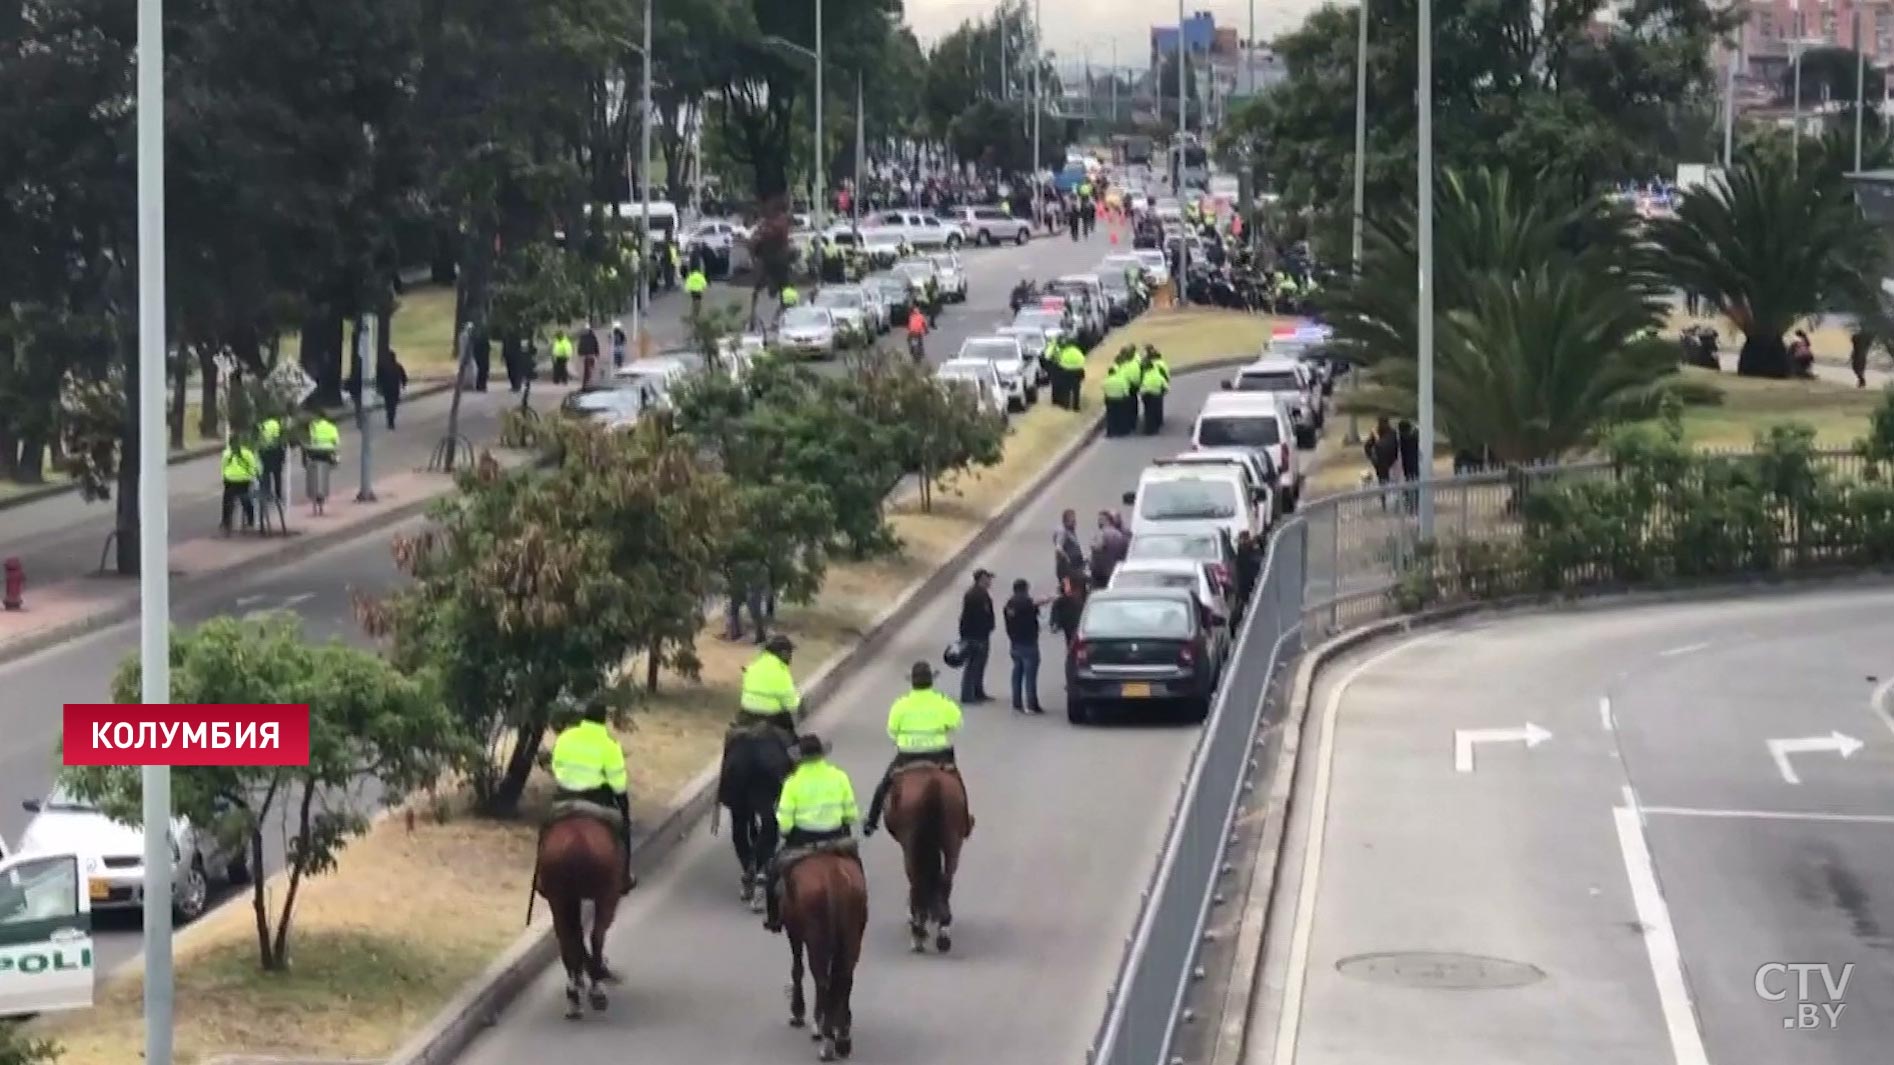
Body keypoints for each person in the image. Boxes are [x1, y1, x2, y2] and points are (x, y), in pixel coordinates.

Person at [763, 732, 860, 932]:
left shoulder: (792, 783)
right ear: (822, 755)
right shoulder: (839, 776)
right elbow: (851, 814)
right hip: (836, 838)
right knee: (857, 869)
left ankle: (773, 918)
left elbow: (785, 823)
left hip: (802, 840)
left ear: (800, 758)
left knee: (773, 874)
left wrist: (787, 830)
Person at [864, 662, 964, 834]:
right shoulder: (943, 702)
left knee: (883, 787)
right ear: (931, 681)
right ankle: (964, 821)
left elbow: (892, 730)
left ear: (912, 682)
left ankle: (871, 822)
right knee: (959, 786)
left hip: (908, 755)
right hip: (939, 754)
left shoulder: (900, 704)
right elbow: (957, 724)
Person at [548, 700, 636, 894]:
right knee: (622, 828)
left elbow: (556, 766)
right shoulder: (609, 745)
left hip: (564, 798)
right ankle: (624, 877)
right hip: (596, 800)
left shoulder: (566, 737)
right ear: (604, 719)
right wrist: (623, 805)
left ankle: (541, 876)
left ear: (584, 717)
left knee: (546, 827)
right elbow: (618, 784)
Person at [737, 634, 802, 743]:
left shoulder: (754, 665)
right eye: (790, 653)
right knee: (790, 736)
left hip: (746, 713)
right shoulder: (780, 671)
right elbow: (792, 704)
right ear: (784, 653)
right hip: (770, 718)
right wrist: (797, 699)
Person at [1003, 579, 1049, 714]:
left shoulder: (1009, 604)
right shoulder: (1025, 602)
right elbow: (1037, 603)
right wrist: (1052, 597)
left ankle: (1017, 702)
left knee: (1017, 672)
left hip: (1015, 642)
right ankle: (1031, 704)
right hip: (1028, 642)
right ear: (1025, 588)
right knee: (1030, 675)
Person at [956, 569, 996, 704]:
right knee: (973, 665)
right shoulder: (975, 595)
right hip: (975, 635)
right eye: (988, 578)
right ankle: (967, 695)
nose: (990, 581)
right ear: (981, 579)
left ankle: (978, 691)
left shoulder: (981, 593)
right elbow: (970, 617)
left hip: (981, 634)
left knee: (980, 665)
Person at [218, 435, 262, 534]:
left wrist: (224, 477)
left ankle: (226, 522)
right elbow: (253, 466)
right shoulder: (247, 453)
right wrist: (251, 476)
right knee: (246, 501)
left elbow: (223, 467)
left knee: (227, 501)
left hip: (230, 480)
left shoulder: (227, 453)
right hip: (244, 480)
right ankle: (251, 520)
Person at [303, 411, 340, 515]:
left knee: (313, 472)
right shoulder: (332, 427)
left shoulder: (313, 426)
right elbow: (336, 443)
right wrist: (336, 457)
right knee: (325, 473)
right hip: (327, 453)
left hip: (315, 452)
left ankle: (315, 496)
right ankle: (322, 494)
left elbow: (310, 440)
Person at [1138, 346, 1170, 434]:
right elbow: (1165, 379)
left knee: (1148, 412)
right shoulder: (1158, 370)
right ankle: (1156, 424)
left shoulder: (1145, 373)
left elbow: (1141, 382)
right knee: (1156, 409)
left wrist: (1141, 392)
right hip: (1156, 393)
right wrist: (1165, 389)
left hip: (1146, 395)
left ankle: (1149, 428)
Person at [256, 415, 286, 505]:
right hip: (274, 450)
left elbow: (258, 439)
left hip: (264, 451)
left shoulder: (260, 425)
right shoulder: (275, 424)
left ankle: (267, 493)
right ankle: (278, 494)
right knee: (277, 474)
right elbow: (277, 438)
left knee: (266, 473)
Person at [376, 348, 408, 429]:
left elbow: (378, 378)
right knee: (393, 405)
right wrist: (404, 385)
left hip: (387, 389)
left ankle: (390, 420)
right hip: (395, 389)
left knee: (388, 405)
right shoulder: (398, 366)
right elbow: (403, 377)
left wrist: (379, 387)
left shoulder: (383, 366)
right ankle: (391, 420)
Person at [1053, 508, 1086, 587]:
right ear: (1065, 521)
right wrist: (1067, 559)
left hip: (1075, 567)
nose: (1075, 523)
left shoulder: (1070, 531)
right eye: (1073, 521)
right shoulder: (1062, 531)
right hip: (1067, 570)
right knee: (1068, 590)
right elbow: (1058, 548)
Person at [1056, 340, 1086, 411]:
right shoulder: (1077, 352)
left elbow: (1060, 361)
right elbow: (1083, 360)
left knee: (1066, 389)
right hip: (1077, 371)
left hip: (1067, 371)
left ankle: (1066, 405)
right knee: (1076, 390)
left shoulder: (1065, 352)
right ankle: (1076, 407)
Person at [578, 324, 601, 388]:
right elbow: (596, 345)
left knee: (587, 369)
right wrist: (597, 354)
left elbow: (580, 346)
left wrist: (580, 353)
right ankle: (590, 382)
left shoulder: (582, 337)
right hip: (591, 354)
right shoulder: (593, 337)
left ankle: (586, 382)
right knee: (591, 368)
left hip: (585, 355)